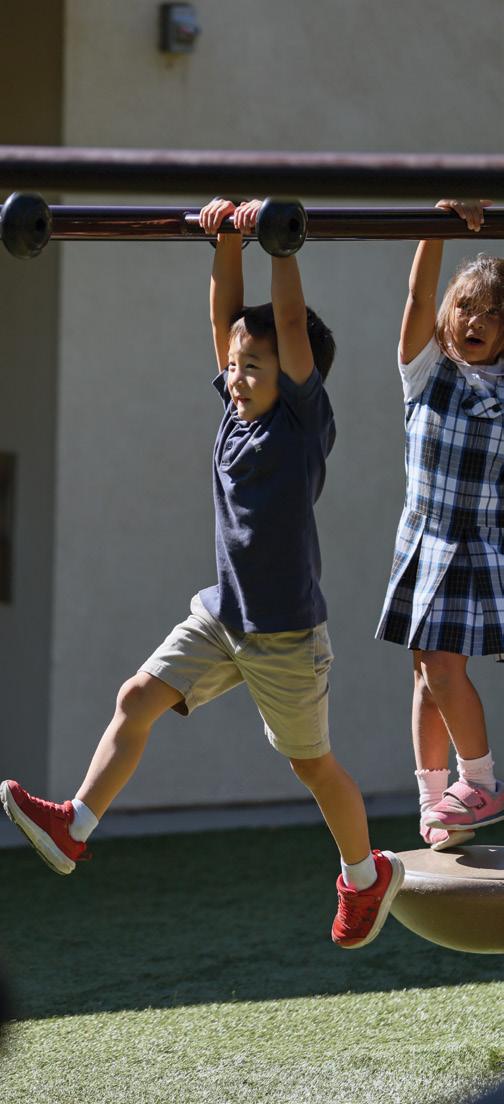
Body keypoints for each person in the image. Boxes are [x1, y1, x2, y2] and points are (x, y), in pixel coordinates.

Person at [1, 197, 403, 949]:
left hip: (285, 635)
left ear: (295, 375)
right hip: (223, 615)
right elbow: (227, 322)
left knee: (312, 767)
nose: (237, 376)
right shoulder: (235, 412)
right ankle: (74, 827)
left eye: (254, 368)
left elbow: (287, 324)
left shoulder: (300, 425)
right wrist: (224, 241)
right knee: (136, 697)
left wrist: (279, 246)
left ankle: (363, 876)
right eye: (233, 367)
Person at [376, 198, 504, 850]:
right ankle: (434, 803)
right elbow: (418, 295)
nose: (477, 321)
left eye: (494, 313)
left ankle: (480, 782)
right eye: (467, 307)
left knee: (444, 668)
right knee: (425, 675)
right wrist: (437, 226)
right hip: (423, 540)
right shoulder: (425, 369)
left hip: (474, 544)